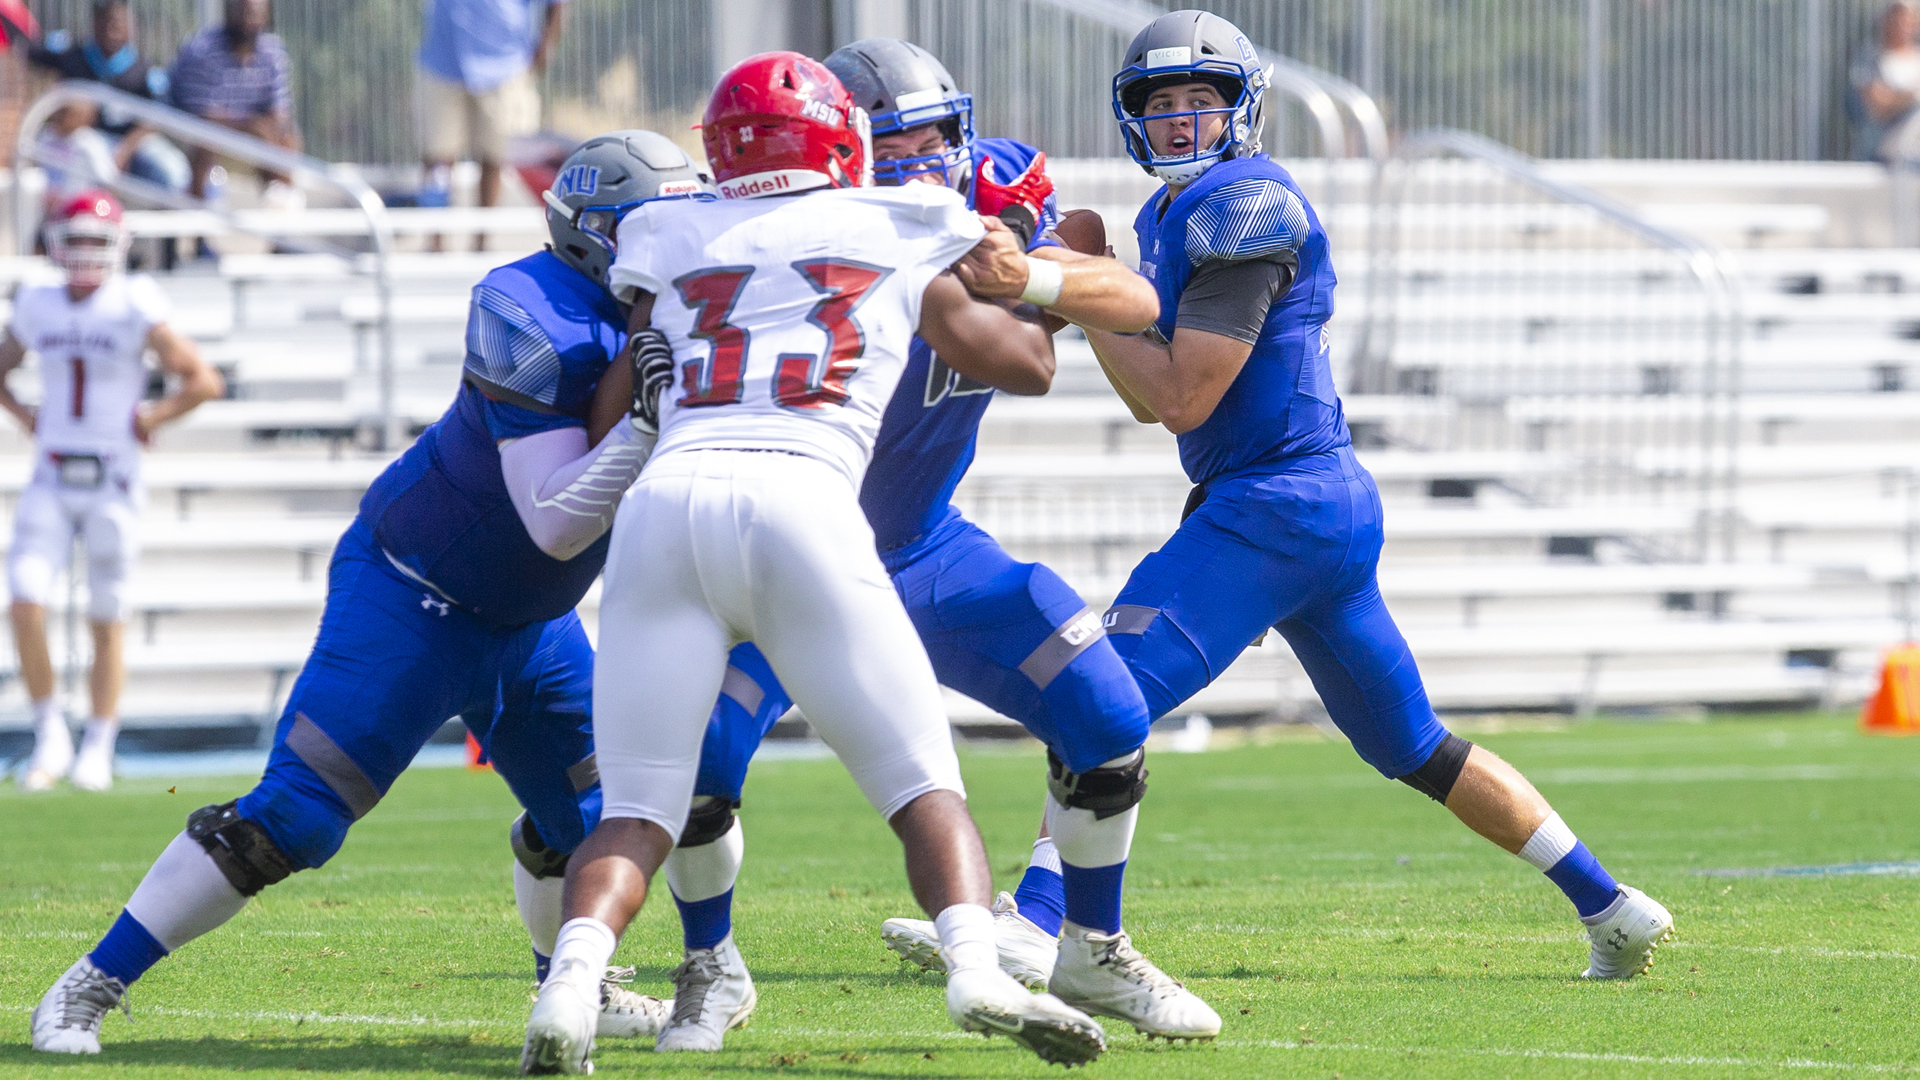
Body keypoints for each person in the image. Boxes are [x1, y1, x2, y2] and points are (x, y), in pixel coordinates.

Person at [26, 133, 739, 1055]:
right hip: (417, 590)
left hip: (533, 618)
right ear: (591, 234)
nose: (676, 237)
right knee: (293, 818)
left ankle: (587, 984)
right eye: (654, 220)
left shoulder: (676, 309)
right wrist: (642, 425)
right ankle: (89, 983)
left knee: (610, 822)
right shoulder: (529, 306)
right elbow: (554, 521)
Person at [629, 37, 1218, 1053]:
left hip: (927, 553)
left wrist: (1044, 259)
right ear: (845, 150)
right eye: (902, 142)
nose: (932, 160)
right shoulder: (839, 239)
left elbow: (1123, 299)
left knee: (1108, 709)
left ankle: (1092, 943)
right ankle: (709, 967)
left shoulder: (962, 223)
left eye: (944, 135)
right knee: (701, 766)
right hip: (796, 563)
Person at [520, 51, 1106, 1072]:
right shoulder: (898, 218)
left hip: (666, 507)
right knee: (923, 781)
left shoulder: (668, 229)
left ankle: (571, 988)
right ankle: (975, 964)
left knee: (636, 809)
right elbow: (1036, 357)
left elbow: (619, 409)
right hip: (802, 497)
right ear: (845, 140)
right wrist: (1049, 279)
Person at [1082, 10, 1674, 981]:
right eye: (1163, 103)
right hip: (1308, 504)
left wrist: (1083, 294)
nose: (1183, 119)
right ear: (1132, 118)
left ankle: (1036, 918)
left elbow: (1178, 397)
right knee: (1415, 748)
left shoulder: (1242, 203)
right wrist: (1089, 291)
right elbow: (1157, 383)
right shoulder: (1166, 216)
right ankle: (1610, 905)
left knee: (1100, 697)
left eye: (1203, 99)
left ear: (1244, 108)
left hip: (1277, 503)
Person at [2, 191, 222, 794]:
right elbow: (1, 369)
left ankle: (99, 740)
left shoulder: (134, 301)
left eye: (96, 241)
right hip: (51, 471)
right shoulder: (38, 301)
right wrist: (28, 419)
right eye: (75, 240)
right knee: (23, 599)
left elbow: (203, 379)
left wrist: (149, 419)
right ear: (54, 243)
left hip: (113, 476)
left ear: (119, 246)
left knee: (107, 614)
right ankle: (50, 732)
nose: (85, 255)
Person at [415, 0, 567, 249]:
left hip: (503, 65)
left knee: (495, 157)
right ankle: (435, 244)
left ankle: (482, 243)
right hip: (441, 62)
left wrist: (543, 51)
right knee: (437, 159)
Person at [29, 1, 191, 193]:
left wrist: (124, 151)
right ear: (94, 23)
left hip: (130, 143)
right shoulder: (74, 56)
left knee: (173, 173)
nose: (111, 29)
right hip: (83, 140)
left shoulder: (143, 70)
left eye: (118, 23)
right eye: (105, 21)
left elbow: (153, 119)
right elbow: (30, 53)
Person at [168, 0, 301, 208]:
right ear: (229, 10)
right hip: (197, 141)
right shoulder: (202, 49)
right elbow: (201, 117)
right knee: (206, 140)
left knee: (288, 140)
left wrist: (261, 130)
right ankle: (197, 230)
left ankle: (281, 223)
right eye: (245, 12)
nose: (250, 20)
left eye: (256, 14)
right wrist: (250, 126)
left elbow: (279, 113)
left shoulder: (273, 52)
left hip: (254, 141)